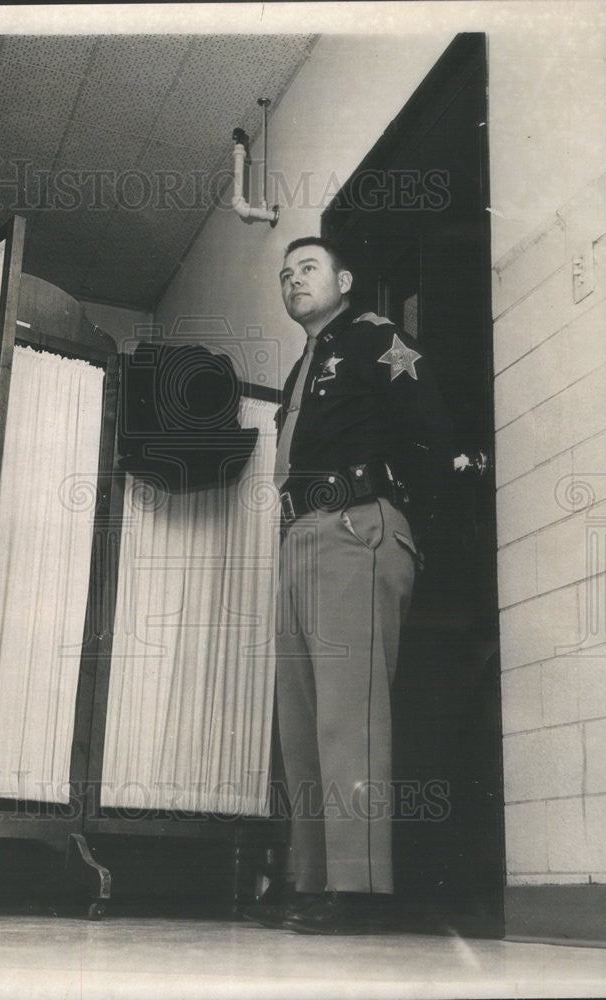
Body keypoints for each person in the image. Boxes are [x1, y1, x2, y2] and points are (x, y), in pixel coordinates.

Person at [247, 236, 457, 935]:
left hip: (354, 530)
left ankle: (358, 889)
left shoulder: (375, 339)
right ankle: (314, 881)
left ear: (343, 279)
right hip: (300, 536)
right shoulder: (302, 370)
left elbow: (431, 429)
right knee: (302, 722)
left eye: (306, 268)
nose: (291, 279)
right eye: (284, 273)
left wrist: (397, 521)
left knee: (349, 717)